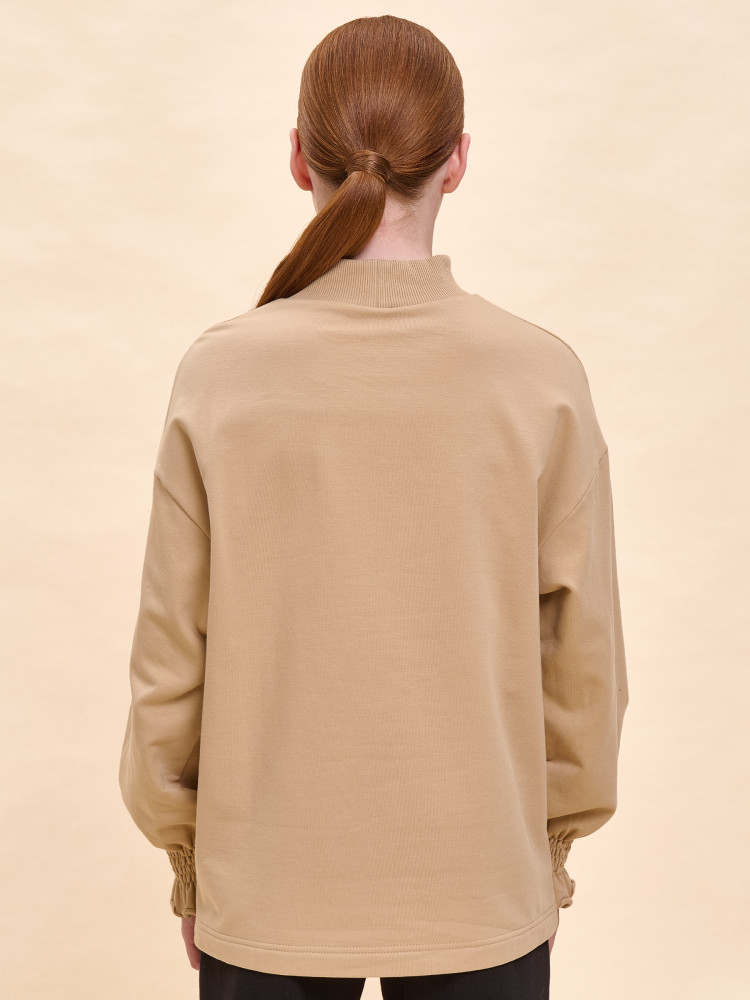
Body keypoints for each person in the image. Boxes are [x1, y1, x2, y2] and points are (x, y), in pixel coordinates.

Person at [119, 14, 629, 1000]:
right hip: (479, 880)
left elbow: (169, 658)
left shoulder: (223, 374)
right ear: (459, 161)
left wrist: (190, 862)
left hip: (266, 885)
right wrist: (546, 856)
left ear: (298, 157)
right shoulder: (540, 378)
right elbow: (585, 662)